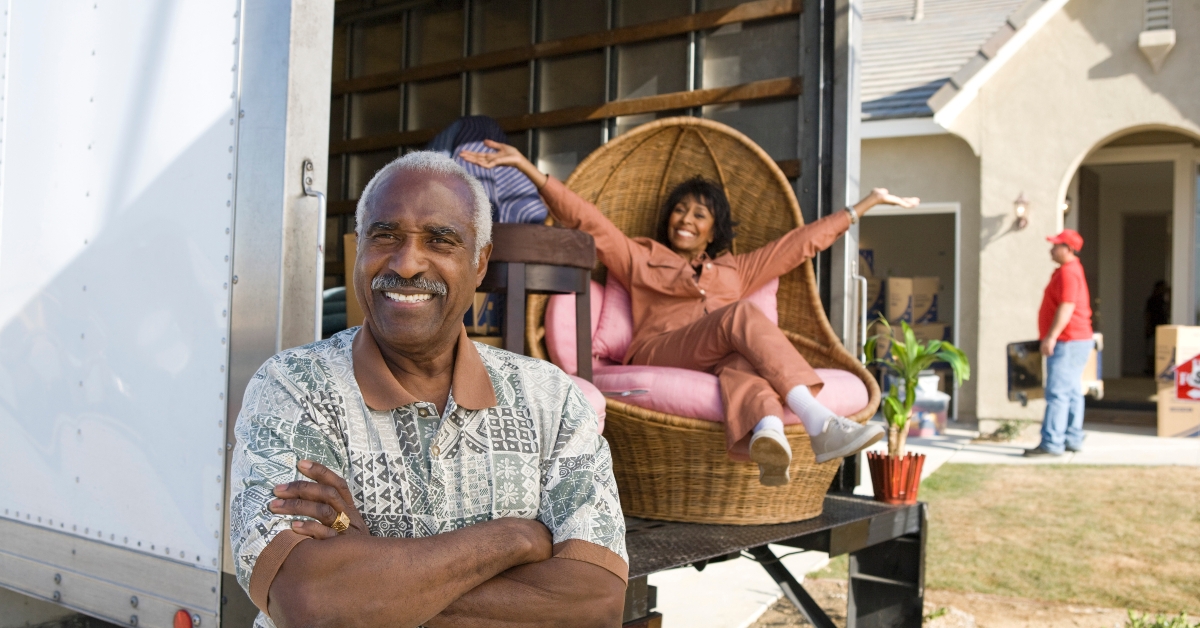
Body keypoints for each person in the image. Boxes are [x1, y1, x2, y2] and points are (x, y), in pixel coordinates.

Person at [229, 152, 627, 628]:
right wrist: (513, 540)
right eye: (385, 235)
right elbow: (310, 604)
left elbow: (597, 604)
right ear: (359, 249)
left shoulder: (551, 399)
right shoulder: (293, 387)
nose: (407, 264)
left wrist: (370, 584)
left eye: (440, 240)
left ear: (480, 263)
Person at [460, 141, 919, 485]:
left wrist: (865, 204)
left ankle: (769, 432)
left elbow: (799, 245)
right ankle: (818, 420)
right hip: (661, 349)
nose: (686, 219)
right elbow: (587, 220)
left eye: (699, 215)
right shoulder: (642, 257)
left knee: (743, 360)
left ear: (713, 230)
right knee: (739, 317)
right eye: (680, 211)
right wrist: (528, 169)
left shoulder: (736, 270)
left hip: (717, 353)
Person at [1026, 229, 1094, 457]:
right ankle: (1072, 438)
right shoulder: (1068, 270)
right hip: (1075, 341)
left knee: (1057, 393)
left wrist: (1051, 336)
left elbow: (1067, 306)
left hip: (1068, 341)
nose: (1052, 249)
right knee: (1072, 391)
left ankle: (1052, 443)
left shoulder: (1069, 272)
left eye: (1056, 245)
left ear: (1069, 249)